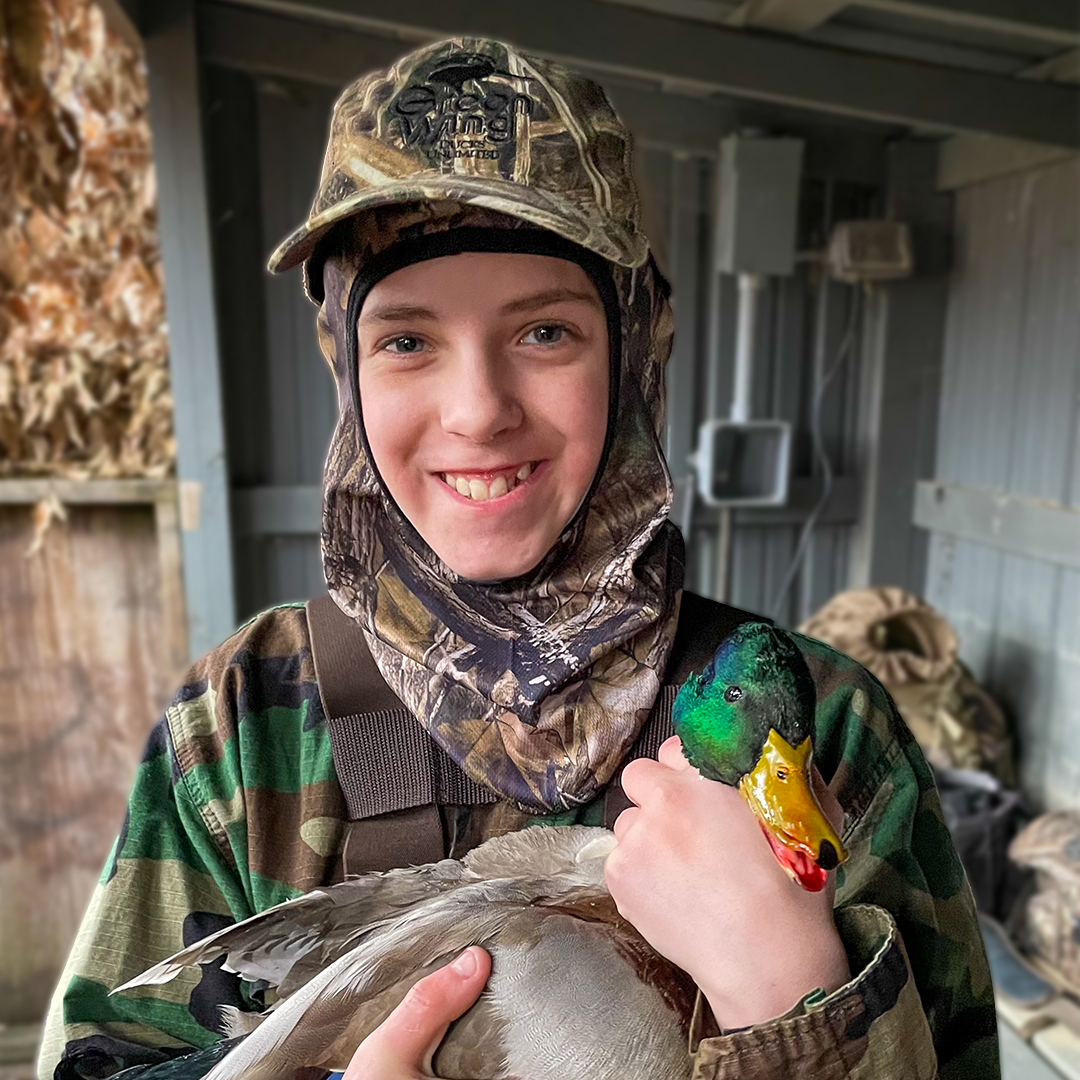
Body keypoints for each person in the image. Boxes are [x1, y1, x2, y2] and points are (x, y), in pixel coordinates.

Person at [39, 38, 998, 1080]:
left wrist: (792, 996)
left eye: (545, 331)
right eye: (405, 340)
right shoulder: (238, 729)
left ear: (636, 350)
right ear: (345, 369)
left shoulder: (833, 737)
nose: (479, 411)